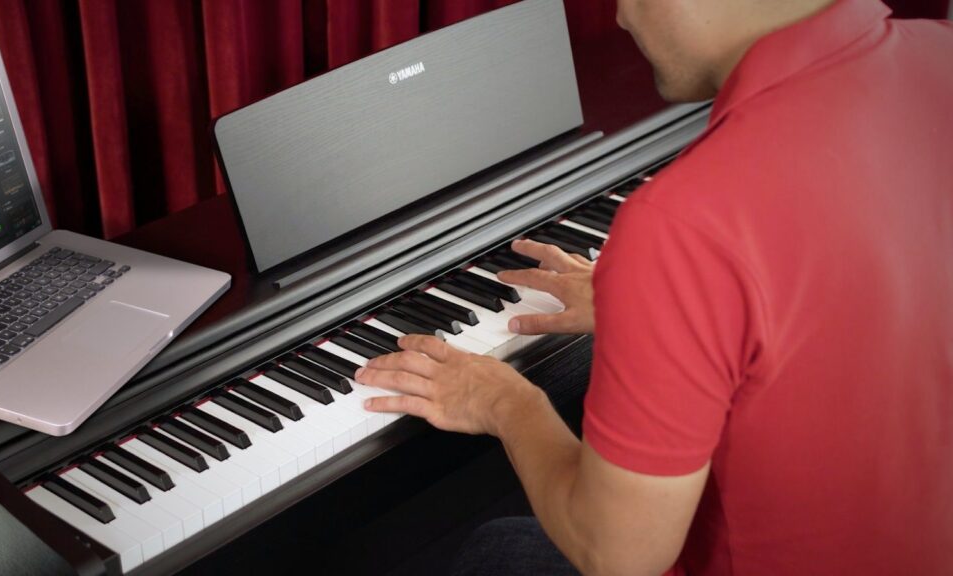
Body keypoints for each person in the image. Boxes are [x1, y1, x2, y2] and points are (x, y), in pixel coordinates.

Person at [355, 0, 953, 573]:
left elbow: (616, 555)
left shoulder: (684, 220)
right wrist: (680, 318)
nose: (620, 15)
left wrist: (506, 402)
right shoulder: (939, 56)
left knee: (495, 551)